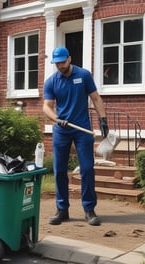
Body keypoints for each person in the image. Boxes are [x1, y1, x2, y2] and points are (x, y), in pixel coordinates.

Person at [43, 46, 109, 226]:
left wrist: (103, 119)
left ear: (70, 59)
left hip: (82, 129)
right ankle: (62, 209)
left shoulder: (84, 75)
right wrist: (57, 119)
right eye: (57, 63)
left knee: (87, 169)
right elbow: (46, 106)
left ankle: (89, 209)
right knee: (59, 171)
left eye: (62, 62)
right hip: (61, 131)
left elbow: (95, 97)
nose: (60, 65)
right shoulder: (51, 81)